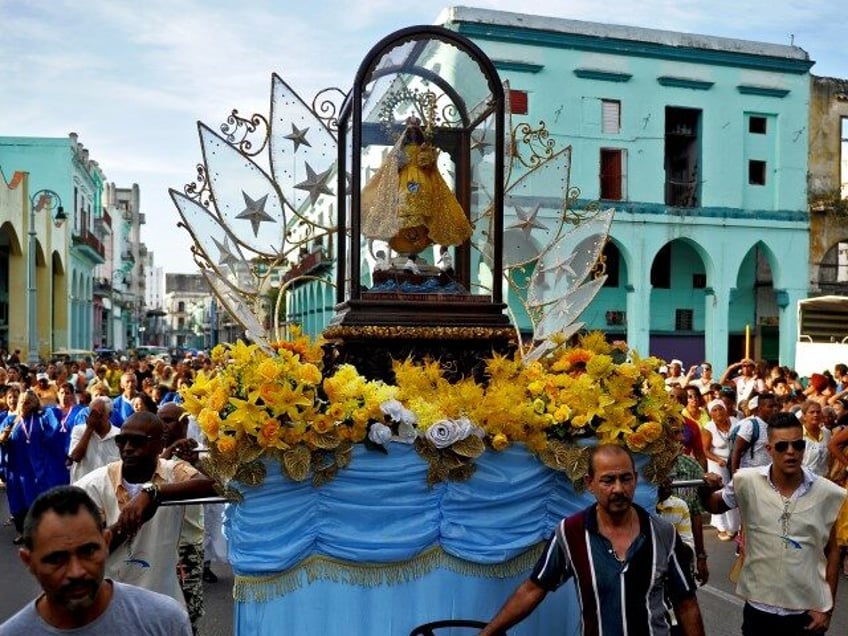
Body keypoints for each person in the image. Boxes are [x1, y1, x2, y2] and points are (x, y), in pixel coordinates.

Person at [480, 444, 705, 636]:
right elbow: (533, 589)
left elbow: (686, 604)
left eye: (626, 478)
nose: (619, 488)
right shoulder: (570, 533)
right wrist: (488, 633)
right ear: (590, 483)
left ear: (635, 480)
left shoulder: (663, 533)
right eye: (608, 480)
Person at [700, 412, 848, 635]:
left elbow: (833, 553)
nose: (790, 452)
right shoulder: (746, 481)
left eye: (797, 445)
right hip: (759, 609)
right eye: (781, 446)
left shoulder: (828, 493)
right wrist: (705, 488)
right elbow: (715, 505)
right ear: (769, 450)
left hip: (806, 612)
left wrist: (826, 609)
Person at [0, 485, 191, 635]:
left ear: (106, 543)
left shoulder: (165, 621)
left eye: (88, 551)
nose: (76, 572)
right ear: (28, 561)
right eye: (56, 559)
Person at [76, 411, 218, 604]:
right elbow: (83, 554)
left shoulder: (173, 472)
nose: (127, 448)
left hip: (162, 598)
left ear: (160, 445)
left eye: (137, 441)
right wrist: (125, 525)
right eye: (121, 440)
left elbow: (212, 486)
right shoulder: (94, 485)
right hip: (110, 600)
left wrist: (152, 493)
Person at [159, 401, 206, 634]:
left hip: (188, 547)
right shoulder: (153, 455)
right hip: (159, 545)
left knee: (189, 614)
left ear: (184, 423)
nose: (163, 426)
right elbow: (152, 484)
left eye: (168, 420)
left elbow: (217, 486)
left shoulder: (198, 453)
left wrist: (194, 462)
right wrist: (169, 453)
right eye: (160, 420)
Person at [701, 399, 741, 541]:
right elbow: (705, 450)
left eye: (721, 409)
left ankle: (735, 526)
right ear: (710, 413)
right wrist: (718, 460)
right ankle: (721, 526)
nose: (718, 413)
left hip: (734, 462)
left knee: (734, 490)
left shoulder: (735, 422)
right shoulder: (708, 428)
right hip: (717, 464)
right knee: (720, 492)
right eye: (714, 410)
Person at [67, 396, 121, 483]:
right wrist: (89, 429)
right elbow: (75, 457)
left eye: (99, 415)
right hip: (82, 489)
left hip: (106, 490)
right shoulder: (79, 430)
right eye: (92, 414)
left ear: (109, 415)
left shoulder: (118, 435)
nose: (95, 419)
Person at [730, 393, 778, 474]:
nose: (775, 409)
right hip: (751, 475)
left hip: (769, 475)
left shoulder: (775, 425)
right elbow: (736, 451)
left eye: (776, 406)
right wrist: (735, 476)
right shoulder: (750, 425)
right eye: (770, 406)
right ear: (760, 408)